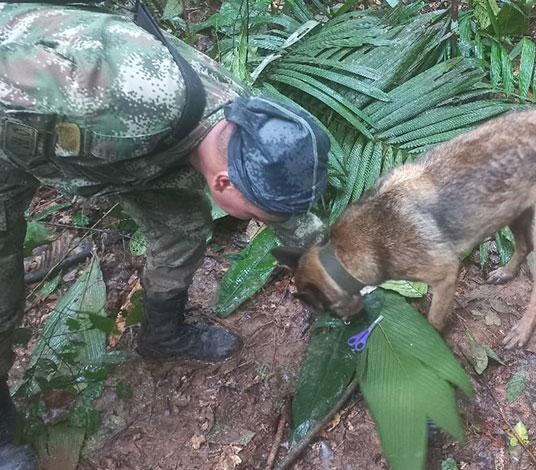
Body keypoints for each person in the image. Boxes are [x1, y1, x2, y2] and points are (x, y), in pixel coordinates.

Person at [0, 3, 330, 467]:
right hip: (14, 120)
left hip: (116, 150)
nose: (265, 221)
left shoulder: (244, 122)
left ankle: (162, 333)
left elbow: (287, 213)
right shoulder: (115, 100)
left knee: (184, 225)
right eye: (258, 215)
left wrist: (332, 271)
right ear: (224, 184)